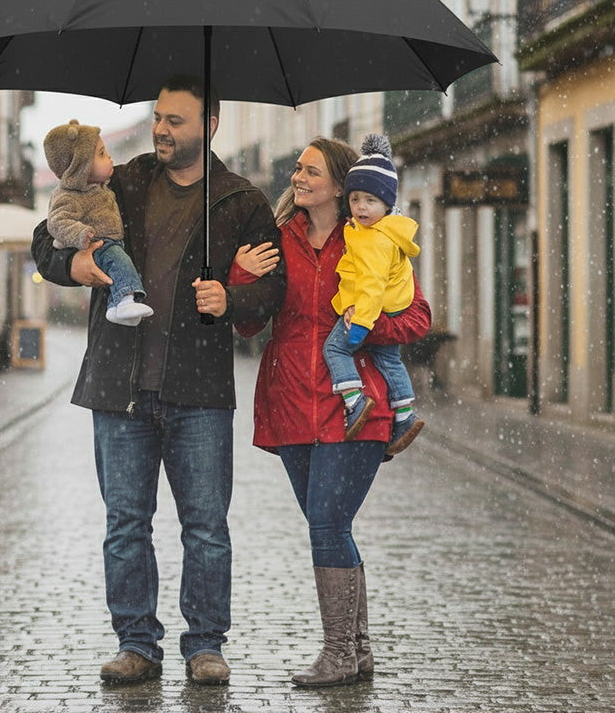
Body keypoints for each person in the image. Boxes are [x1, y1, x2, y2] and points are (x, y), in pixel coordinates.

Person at [30, 75, 285, 686]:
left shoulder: (241, 200)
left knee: (206, 527)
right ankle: (136, 643)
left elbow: (275, 290)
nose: (162, 130)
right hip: (119, 386)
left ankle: (206, 645)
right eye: (159, 118)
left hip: (200, 391)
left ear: (209, 126)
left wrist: (232, 298)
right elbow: (46, 238)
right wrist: (75, 265)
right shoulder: (125, 181)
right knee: (125, 524)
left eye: (176, 120)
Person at [237, 136, 431, 687]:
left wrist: (363, 330)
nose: (297, 177)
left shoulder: (373, 238)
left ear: (342, 185)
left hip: (357, 405)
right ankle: (358, 650)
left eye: (310, 170)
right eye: (297, 168)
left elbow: (417, 317)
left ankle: (339, 653)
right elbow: (248, 325)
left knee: (326, 523)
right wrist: (242, 276)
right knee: (330, 525)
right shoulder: (277, 240)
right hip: (291, 402)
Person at [322, 134, 425, 455]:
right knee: (389, 359)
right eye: (355, 199)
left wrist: (361, 324)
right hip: (390, 309)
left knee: (335, 349)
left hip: (369, 313)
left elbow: (371, 285)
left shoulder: (375, 240)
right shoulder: (380, 232)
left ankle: (354, 401)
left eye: (370, 200)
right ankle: (405, 415)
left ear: (387, 204)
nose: (361, 207)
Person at [44, 120, 153, 326]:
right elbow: (55, 222)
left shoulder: (101, 187)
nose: (109, 157)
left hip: (110, 241)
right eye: (101, 154)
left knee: (118, 265)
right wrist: (80, 235)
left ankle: (114, 307)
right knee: (120, 262)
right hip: (99, 244)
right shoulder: (70, 196)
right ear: (81, 168)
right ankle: (126, 299)